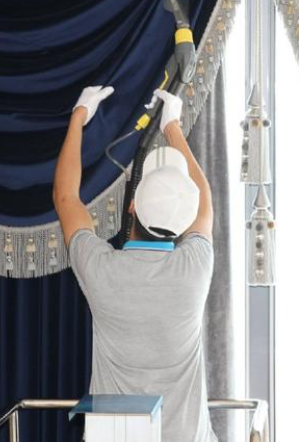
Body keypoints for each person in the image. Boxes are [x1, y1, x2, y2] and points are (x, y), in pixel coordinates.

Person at [52, 85, 217, 442]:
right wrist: (172, 126)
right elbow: (204, 202)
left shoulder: (102, 270)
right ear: (182, 223)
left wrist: (78, 118)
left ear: (132, 207)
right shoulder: (195, 268)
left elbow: (65, 198)